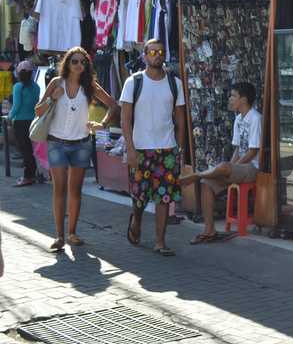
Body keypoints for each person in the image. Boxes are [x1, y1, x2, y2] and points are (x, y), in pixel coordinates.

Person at [35, 47, 118, 251]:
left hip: (81, 143)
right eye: (75, 61)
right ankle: (59, 236)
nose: (79, 65)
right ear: (67, 64)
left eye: (83, 62)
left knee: (75, 191)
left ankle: (72, 233)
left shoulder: (89, 86)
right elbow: (38, 110)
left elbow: (112, 105)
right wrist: (52, 98)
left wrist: (102, 124)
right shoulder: (56, 83)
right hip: (57, 142)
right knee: (59, 189)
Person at [120, 38, 186, 256]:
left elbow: (180, 119)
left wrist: (180, 148)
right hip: (140, 149)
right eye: (152, 51)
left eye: (160, 51)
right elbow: (125, 119)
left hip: (167, 149)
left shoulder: (174, 84)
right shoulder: (134, 82)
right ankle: (136, 220)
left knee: (164, 197)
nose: (157, 55)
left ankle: (160, 241)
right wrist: (129, 149)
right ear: (144, 55)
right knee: (139, 196)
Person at [181, 82, 262, 244]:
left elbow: (253, 151)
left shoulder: (256, 118)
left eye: (233, 96)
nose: (230, 99)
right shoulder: (238, 119)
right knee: (206, 183)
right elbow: (238, 149)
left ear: (244, 100)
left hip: (252, 168)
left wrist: (232, 167)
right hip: (239, 167)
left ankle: (196, 175)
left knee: (224, 167)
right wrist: (230, 167)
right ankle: (209, 230)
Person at [10, 60, 41, 187]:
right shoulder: (36, 87)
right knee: (31, 149)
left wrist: (9, 117)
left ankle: (28, 176)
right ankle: (32, 174)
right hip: (32, 120)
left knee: (25, 150)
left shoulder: (18, 87)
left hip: (20, 122)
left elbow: (16, 106)